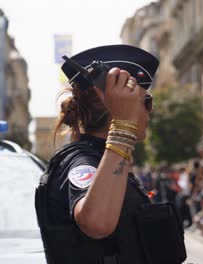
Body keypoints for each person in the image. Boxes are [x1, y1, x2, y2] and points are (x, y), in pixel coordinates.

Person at [34, 45, 186, 264]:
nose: (150, 111)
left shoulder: (103, 158)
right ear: (116, 106)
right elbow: (97, 223)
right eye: (147, 102)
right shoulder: (81, 162)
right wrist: (123, 127)